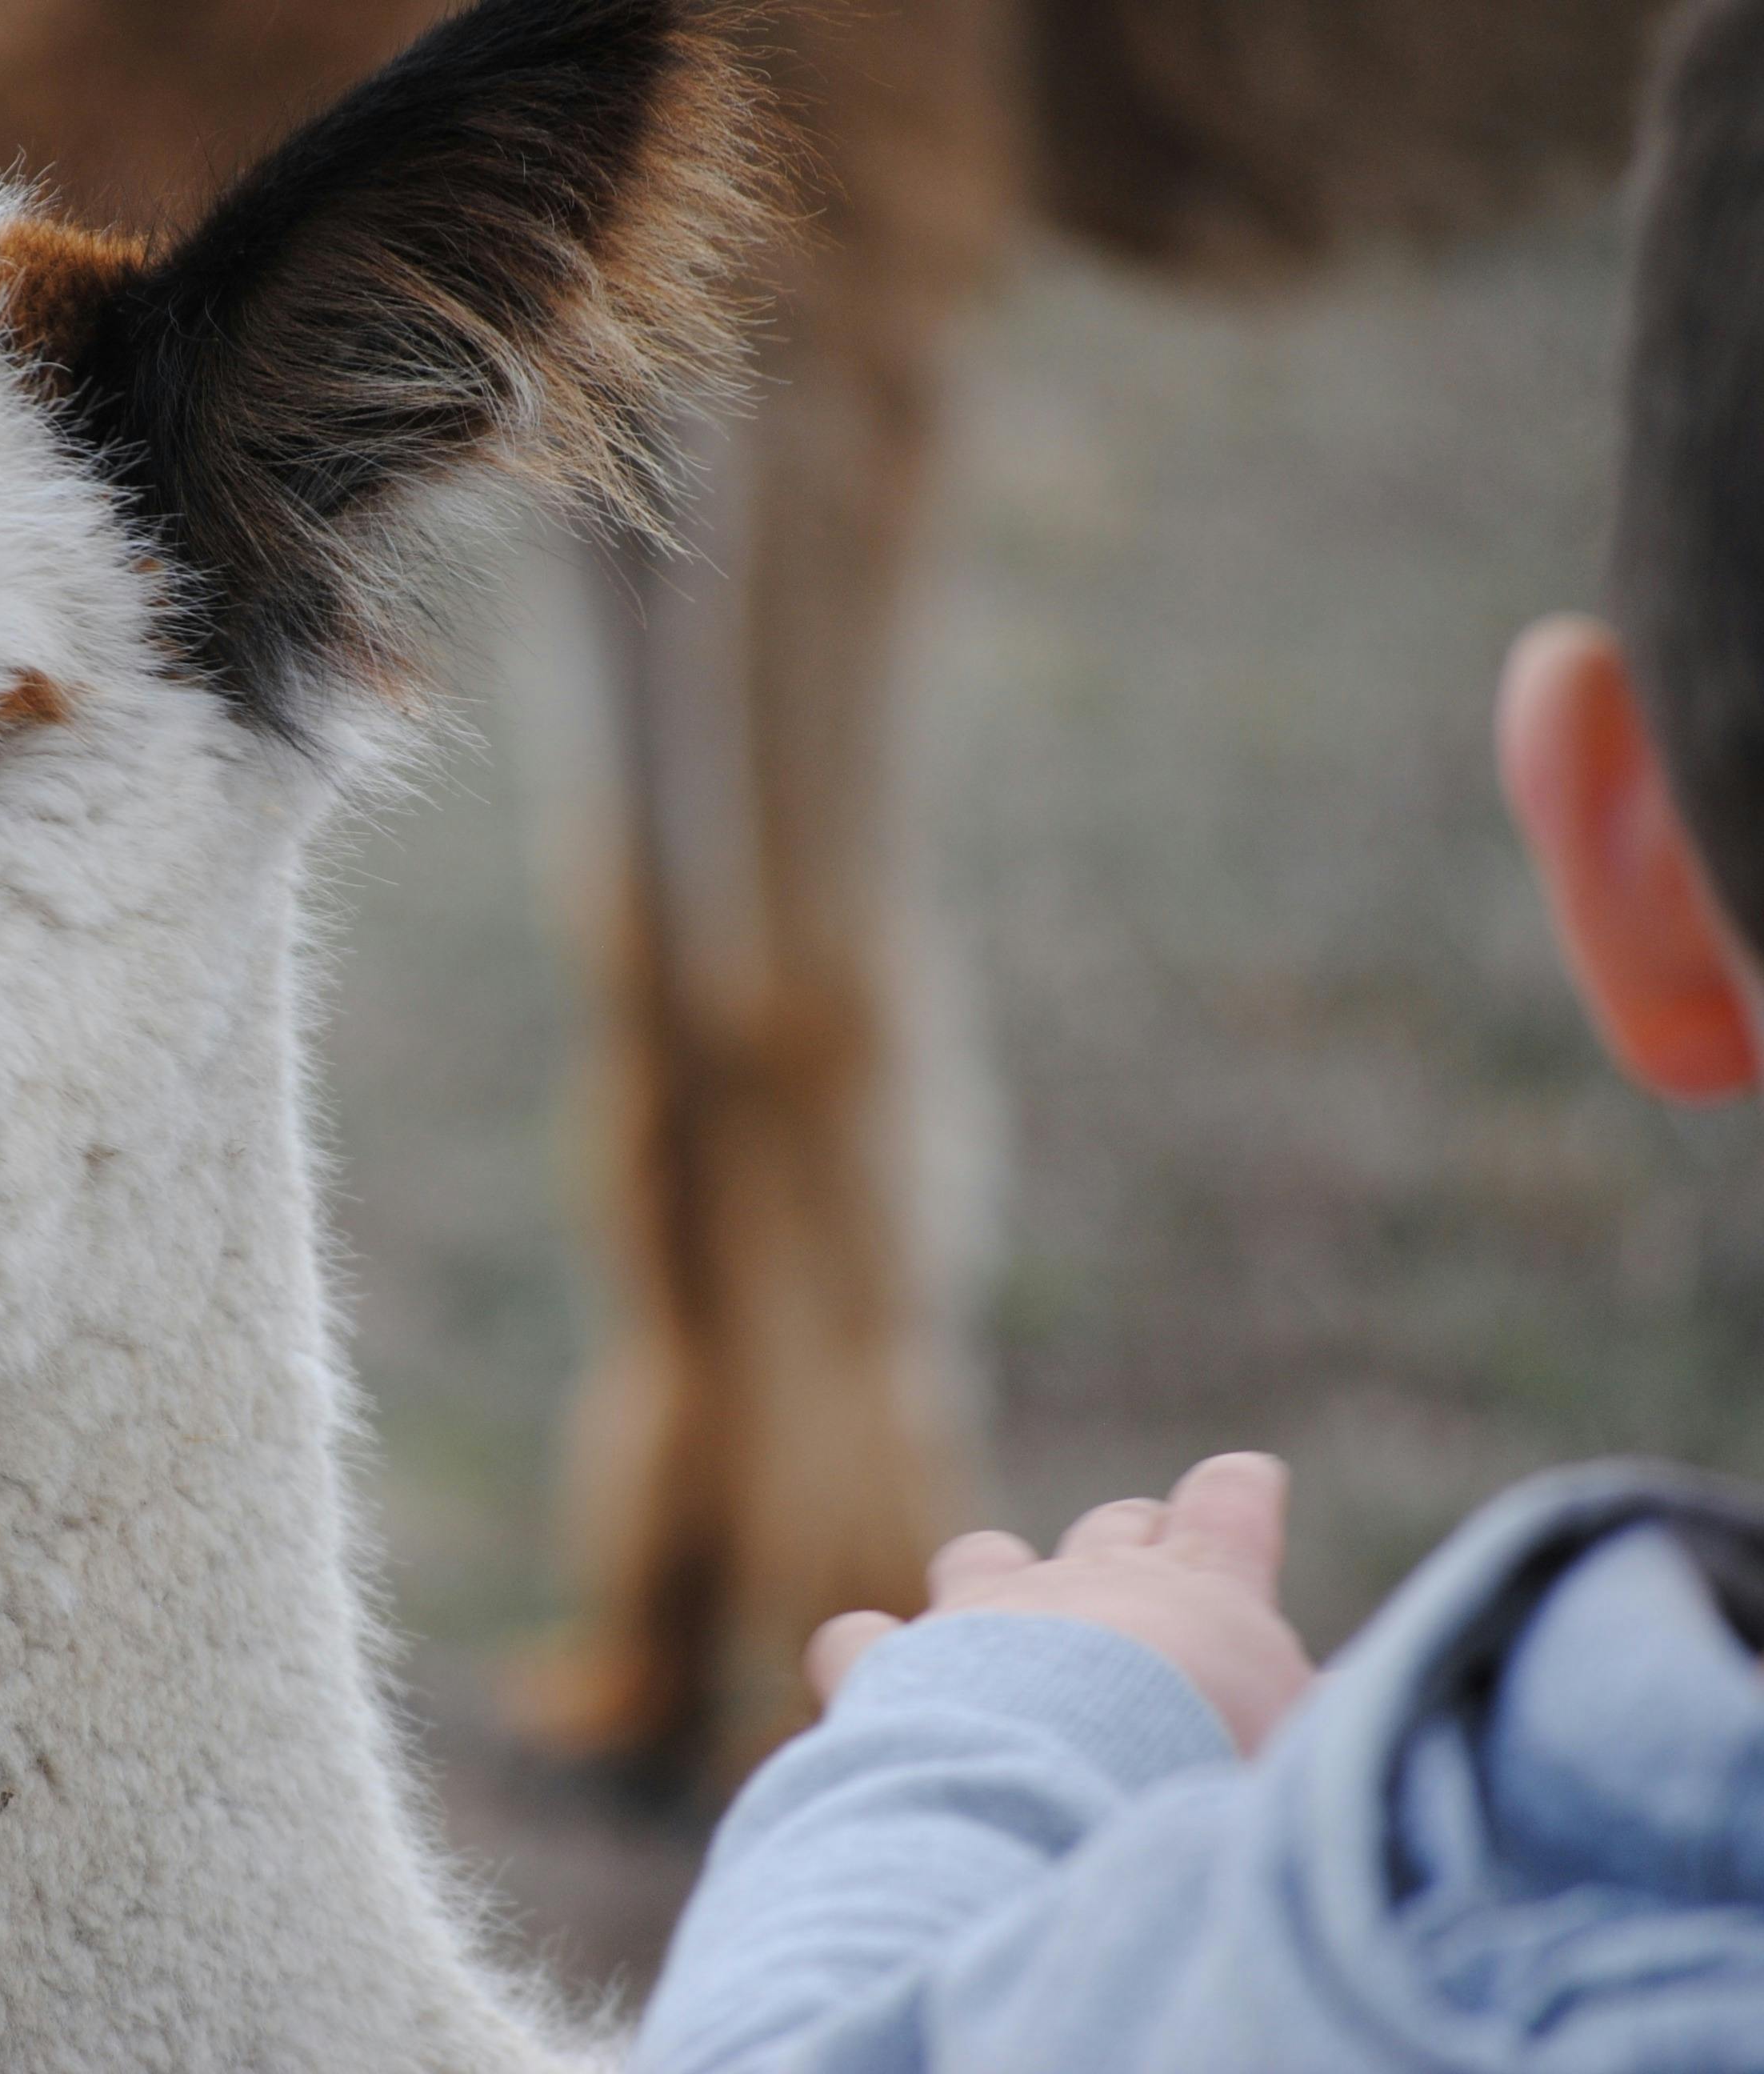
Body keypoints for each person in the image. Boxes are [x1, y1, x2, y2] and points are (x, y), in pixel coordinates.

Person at [628, 3, 1764, 2067]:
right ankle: (711, 1457)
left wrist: (1001, 1722)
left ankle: (819, 1454)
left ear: (1630, 853)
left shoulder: (1433, 1928)